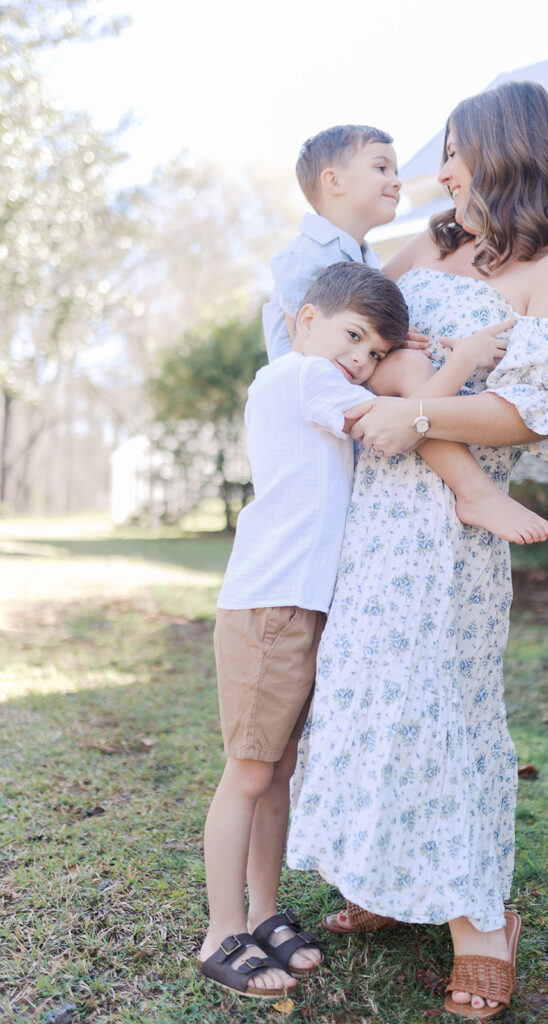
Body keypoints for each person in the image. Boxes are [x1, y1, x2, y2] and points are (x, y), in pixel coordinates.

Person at [287, 81, 548, 1020]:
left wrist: (419, 411)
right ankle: (389, 877)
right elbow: (359, 325)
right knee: (362, 691)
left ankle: (483, 922)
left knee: (438, 702)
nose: (439, 174)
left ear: (508, 152)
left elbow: (537, 413)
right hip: (368, 516)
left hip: (449, 531)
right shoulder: (440, 243)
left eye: (455, 153)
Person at [196, 262, 409, 999]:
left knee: (277, 772)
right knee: (249, 772)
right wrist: (462, 361)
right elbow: (385, 419)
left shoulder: (314, 379)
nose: (363, 360)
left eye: (377, 351)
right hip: (272, 604)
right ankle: (222, 929)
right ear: (303, 320)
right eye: (355, 336)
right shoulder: (299, 376)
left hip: (301, 603)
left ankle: (263, 911)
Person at [263, 123, 548, 545]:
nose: (397, 181)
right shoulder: (306, 254)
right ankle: (474, 492)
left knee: (404, 365)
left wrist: (389, 340)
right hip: (306, 389)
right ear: (333, 182)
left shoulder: (365, 256)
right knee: (407, 369)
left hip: (330, 389)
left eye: (396, 170)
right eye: (381, 168)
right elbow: (302, 342)